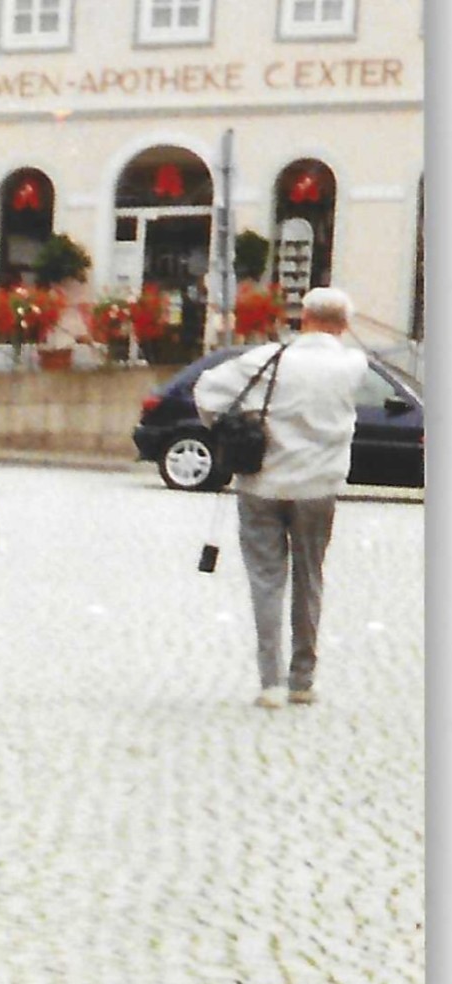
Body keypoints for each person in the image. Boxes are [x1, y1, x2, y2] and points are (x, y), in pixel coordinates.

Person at [195, 285, 363, 707]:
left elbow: (207, 390)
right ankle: (302, 680)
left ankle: (270, 682)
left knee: (266, 581)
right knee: (310, 579)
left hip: (261, 484)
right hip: (318, 489)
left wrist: (232, 424)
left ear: (302, 319)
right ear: (344, 325)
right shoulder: (353, 365)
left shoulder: (268, 359)